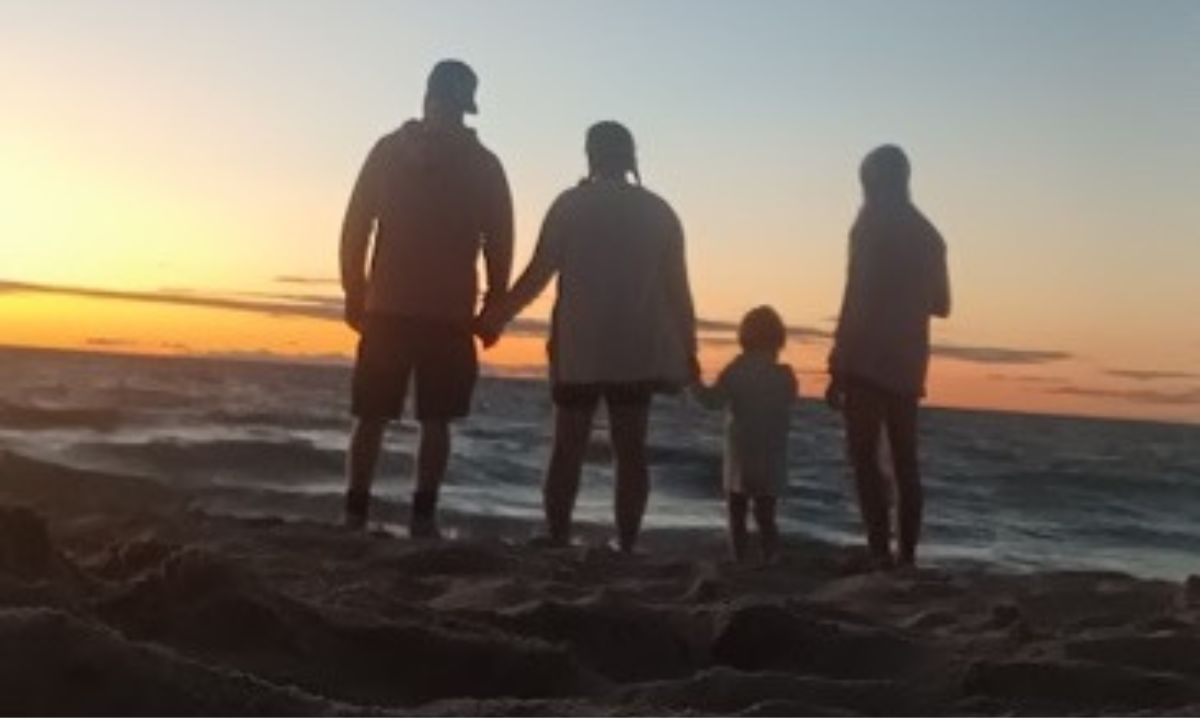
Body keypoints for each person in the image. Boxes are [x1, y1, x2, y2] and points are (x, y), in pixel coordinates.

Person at [476, 121, 697, 553]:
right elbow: (678, 292)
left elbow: (539, 273)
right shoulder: (660, 211)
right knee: (630, 449)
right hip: (636, 349)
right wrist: (689, 350)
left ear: (590, 156)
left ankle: (558, 535)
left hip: (579, 347)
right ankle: (627, 543)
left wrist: (496, 318)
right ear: (631, 156)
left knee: (567, 447)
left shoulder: (570, 205)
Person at [339, 60, 513, 536]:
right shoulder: (484, 164)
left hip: (388, 304)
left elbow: (356, 227)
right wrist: (494, 306)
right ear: (467, 106)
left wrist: (354, 289)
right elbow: (499, 240)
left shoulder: (387, 152)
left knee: (371, 413)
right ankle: (422, 516)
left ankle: (355, 512)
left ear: (426, 97)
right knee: (437, 419)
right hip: (449, 310)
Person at [825, 144, 951, 569]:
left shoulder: (870, 224)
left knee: (863, 457)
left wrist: (838, 361)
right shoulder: (930, 235)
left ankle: (879, 549)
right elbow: (942, 304)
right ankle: (907, 555)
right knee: (904, 461)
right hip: (909, 360)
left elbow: (856, 294)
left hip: (865, 356)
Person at [692, 306, 798, 563]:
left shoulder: (736, 370)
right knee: (766, 514)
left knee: (737, 511)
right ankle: (770, 557)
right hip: (772, 453)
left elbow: (711, 401)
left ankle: (739, 558)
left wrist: (693, 379)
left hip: (742, 452)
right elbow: (789, 401)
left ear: (744, 337)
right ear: (779, 339)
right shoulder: (785, 376)